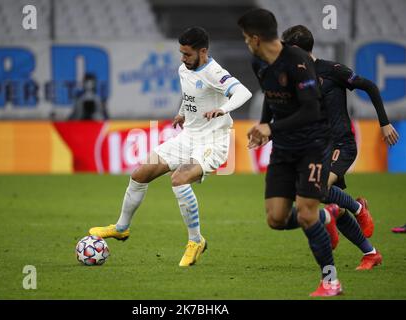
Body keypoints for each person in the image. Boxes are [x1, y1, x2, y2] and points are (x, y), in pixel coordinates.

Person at [89, 27, 252, 267]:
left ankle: (195, 241)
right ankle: (121, 228)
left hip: (213, 140)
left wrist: (223, 109)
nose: (183, 58)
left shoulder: (215, 72)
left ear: (203, 52)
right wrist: (182, 113)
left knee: (179, 179)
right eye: (181, 53)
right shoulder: (184, 68)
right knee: (139, 174)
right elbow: (190, 97)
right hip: (188, 136)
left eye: (187, 54)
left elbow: (243, 92)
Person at [238, 8, 341, 297]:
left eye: (246, 38)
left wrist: (273, 128)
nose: (246, 42)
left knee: (306, 215)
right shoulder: (258, 62)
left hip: (312, 145)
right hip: (283, 149)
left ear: (256, 38)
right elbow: (271, 98)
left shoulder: (298, 62)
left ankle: (331, 281)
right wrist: (262, 126)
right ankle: (326, 216)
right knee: (276, 218)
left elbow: (311, 110)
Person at [282, 25, 400, 269]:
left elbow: (370, 86)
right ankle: (370, 253)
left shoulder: (332, 70)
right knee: (313, 196)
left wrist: (384, 123)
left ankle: (356, 208)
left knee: (319, 189)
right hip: (316, 147)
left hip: (341, 143)